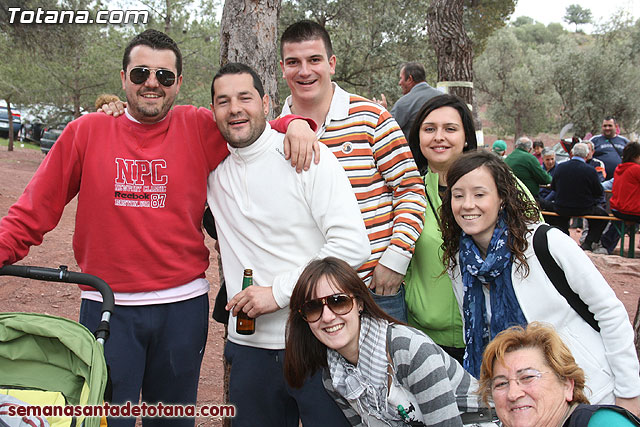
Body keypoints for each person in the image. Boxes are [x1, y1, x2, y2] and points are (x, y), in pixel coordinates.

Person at [0, 30, 316, 427]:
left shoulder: (198, 126)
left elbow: (252, 127)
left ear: (179, 84)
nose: (153, 82)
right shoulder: (86, 132)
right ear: (123, 78)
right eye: (141, 73)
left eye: (165, 76)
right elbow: (32, 211)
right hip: (107, 306)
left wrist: (298, 123)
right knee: (103, 419)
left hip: (181, 309)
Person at [208, 63, 371, 427]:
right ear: (214, 112)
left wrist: (280, 292)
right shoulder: (213, 172)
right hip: (250, 351)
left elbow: (354, 245)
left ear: (266, 103)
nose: (234, 108)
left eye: (245, 97)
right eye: (223, 101)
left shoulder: (307, 156)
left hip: (318, 341)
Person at [438, 150, 640, 413]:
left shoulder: (544, 243)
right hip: (519, 404)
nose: (467, 204)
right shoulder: (459, 263)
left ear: (501, 198)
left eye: (479, 194)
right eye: (458, 195)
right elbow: (475, 331)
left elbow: (610, 313)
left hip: (587, 394)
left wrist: (628, 392)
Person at [279, 20, 427, 322]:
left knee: (384, 369)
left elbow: (410, 188)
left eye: (314, 60)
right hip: (306, 295)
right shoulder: (273, 134)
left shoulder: (372, 119)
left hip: (373, 288)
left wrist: (396, 258)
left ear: (331, 64)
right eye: (294, 62)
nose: (304, 71)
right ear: (283, 68)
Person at [284, 257, 485, 426]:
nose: (327, 317)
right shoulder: (335, 377)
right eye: (313, 308)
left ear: (359, 304)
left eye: (339, 301)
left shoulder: (409, 350)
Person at [402, 94, 477, 364]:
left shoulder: (501, 185)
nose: (439, 137)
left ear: (466, 136)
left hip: (493, 336)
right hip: (426, 340)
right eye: (429, 129)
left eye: (450, 129)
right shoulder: (407, 194)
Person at [479, 323, 640, 427]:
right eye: (501, 384)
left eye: (527, 377)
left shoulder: (602, 423)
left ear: (567, 385)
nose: (513, 394)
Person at [546, 143, 609, 251]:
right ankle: (588, 243)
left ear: (572, 153)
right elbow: (598, 191)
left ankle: (564, 241)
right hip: (584, 208)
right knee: (603, 217)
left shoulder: (560, 167)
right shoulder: (590, 170)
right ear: (586, 154)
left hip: (562, 207)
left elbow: (554, 187)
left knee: (556, 216)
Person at [373, 62, 442, 139]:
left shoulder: (404, 103)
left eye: (401, 78)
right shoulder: (443, 97)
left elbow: (386, 130)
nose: (399, 83)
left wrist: (381, 112)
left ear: (409, 79)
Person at [610, 141, 640, 223]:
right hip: (631, 211)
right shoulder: (636, 169)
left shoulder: (619, 168)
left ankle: (609, 236)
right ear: (635, 157)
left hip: (616, 209)